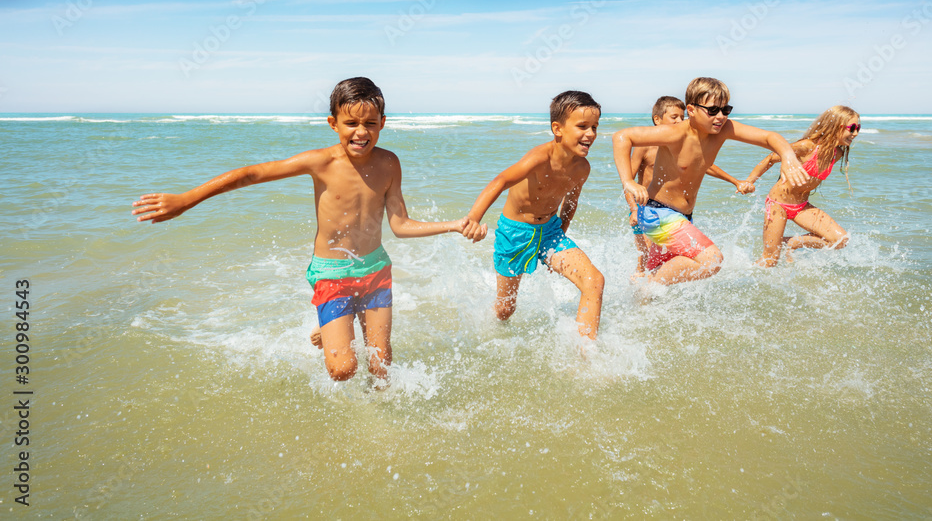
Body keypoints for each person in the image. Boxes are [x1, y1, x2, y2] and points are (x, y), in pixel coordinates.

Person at [132, 77, 470, 383]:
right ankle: (330, 325)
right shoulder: (320, 162)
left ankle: (378, 425)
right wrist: (187, 199)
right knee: (342, 370)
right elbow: (252, 174)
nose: (361, 132)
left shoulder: (389, 163)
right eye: (350, 123)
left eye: (370, 123)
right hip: (332, 274)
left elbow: (400, 224)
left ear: (382, 123)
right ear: (333, 123)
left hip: (376, 270)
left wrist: (454, 225)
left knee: (381, 367)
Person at [612, 77, 809, 286]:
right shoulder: (675, 133)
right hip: (657, 213)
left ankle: (642, 300)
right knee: (712, 260)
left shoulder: (723, 130)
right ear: (692, 109)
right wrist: (628, 182)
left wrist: (788, 156)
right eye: (713, 110)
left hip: (682, 216)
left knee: (669, 270)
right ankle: (649, 285)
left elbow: (769, 137)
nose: (721, 116)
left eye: (726, 110)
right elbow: (621, 137)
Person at [461, 91, 605, 339]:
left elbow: (571, 204)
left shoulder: (582, 168)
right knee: (506, 310)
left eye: (595, 127)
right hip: (516, 233)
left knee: (594, 281)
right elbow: (501, 180)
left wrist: (560, 242)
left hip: (551, 232)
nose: (590, 134)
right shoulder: (539, 158)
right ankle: (488, 331)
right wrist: (474, 217)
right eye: (582, 126)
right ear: (557, 129)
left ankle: (585, 356)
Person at [626, 95, 755, 271]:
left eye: (682, 117)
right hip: (647, 210)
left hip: (672, 213)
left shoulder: (680, 143)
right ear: (657, 119)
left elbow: (705, 166)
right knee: (644, 260)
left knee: (664, 261)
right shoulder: (645, 145)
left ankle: (652, 291)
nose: (679, 121)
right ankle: (641, 287)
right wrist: (634, 209)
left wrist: (734, 181)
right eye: (674, 117)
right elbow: (629, 180)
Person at [745, 105, 860, 266]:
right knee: (770, 259)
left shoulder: (837, 153)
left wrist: (798, 241)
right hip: (778, 205)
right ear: (836, 127)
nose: (855, 133)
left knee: (840, 240)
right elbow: (772, 157)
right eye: (852, 128)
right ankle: (745, 281)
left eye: (858, 128)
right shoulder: (807, 146)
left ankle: (793, 242)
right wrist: (750, 181)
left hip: (801, 207)